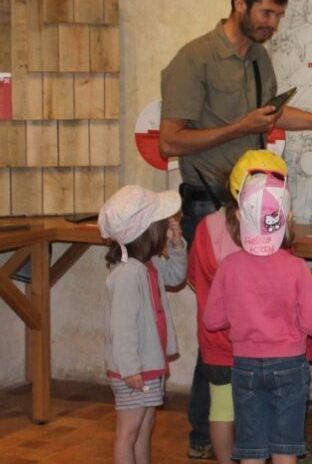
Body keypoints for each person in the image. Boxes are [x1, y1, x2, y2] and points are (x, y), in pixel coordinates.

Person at [158, 0, 312, 459]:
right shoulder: (194, 58)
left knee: (255, 322)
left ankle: (273, 438)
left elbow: (269, 117)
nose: (273, 23)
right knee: (219, 327)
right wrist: (237, 129)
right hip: (211, 207)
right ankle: (207, 433)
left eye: (278, 15)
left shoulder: (259, 59)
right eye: (267, 12)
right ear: (239, 4)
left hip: (259, 206)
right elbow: (170, 140)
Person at [203, 172, 312, 464]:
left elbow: (212, 320)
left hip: (244, 365)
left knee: (251, 449)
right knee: (286, 447)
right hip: (288, 365)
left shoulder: (229, 266)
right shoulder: (296, 268)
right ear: (287, 218)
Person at [188, 149, 289, 464]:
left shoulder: (206, 226)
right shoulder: (276, 230)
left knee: (221, 408)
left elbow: (193, 278)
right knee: (259, 409)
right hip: (259, 343)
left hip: (216, 341)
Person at [100, 185, 188, 464]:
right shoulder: (128, 274)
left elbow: (175, 276)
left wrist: (176, 245)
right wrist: (129, 368)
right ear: (147, 232)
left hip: (149, 364)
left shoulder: (148, 263)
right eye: (162, 223)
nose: (168, 225)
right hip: (134, 369)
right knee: (128, 432)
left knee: (145, 426)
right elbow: (121, 326)